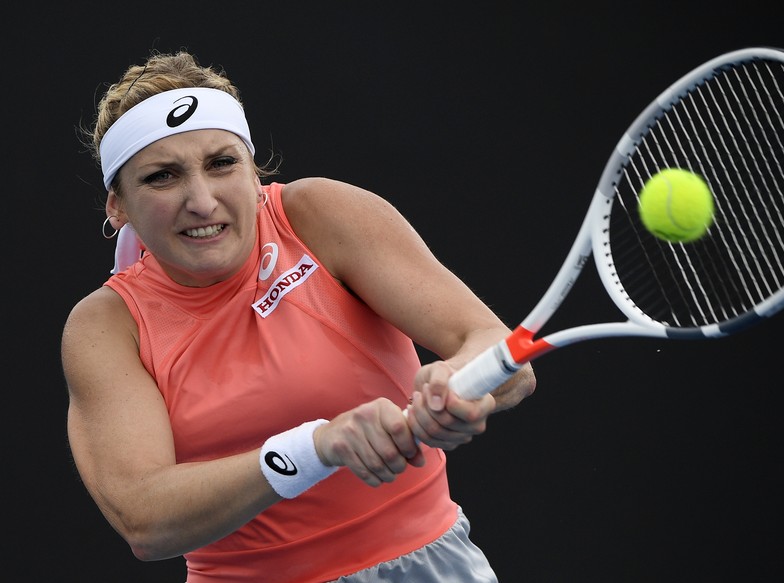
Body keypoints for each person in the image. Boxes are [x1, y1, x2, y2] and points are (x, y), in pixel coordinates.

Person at [62, 49, 535, 583]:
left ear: (252, 167)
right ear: (117, 206)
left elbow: (507, 358)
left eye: (221, 163)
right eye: (162, 177)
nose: (201, 200)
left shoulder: (319, 216)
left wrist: (461, 383)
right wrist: (314, 447)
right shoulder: (106, 325)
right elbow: (146, 521)